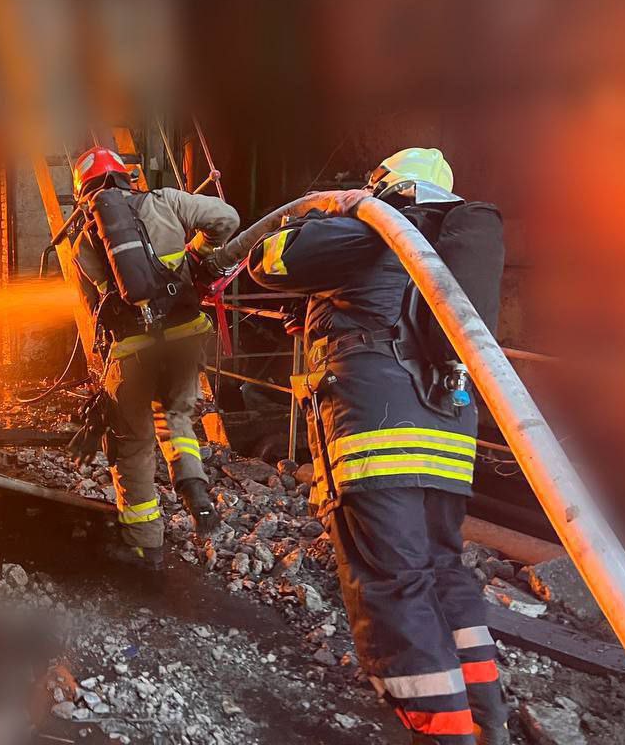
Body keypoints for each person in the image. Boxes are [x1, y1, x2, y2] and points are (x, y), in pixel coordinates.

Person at [217, 147, 509, 744]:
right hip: (447, 430)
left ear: (386, 184)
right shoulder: (446, 243)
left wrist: (331, 211)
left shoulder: (376, 227)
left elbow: (272, 261)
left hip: (379, 432)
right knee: (442, 569)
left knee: (392, 580)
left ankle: (441, 732)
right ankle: (486, 719)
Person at [69, 146, 239, 569]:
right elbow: (227, 219)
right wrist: (199, 253)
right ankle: (194, 488)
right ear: (125, 177)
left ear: (83, 193)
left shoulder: (83, 243)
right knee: (177, 416)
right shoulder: (166, 201)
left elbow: (96, 310)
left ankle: (146, 546)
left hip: (132, 351)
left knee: (132, 444)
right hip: (184, 337)